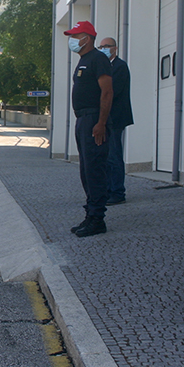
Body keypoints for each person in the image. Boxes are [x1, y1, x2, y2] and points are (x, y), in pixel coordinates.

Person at [65, 21, 112, 238]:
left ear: (88, 38)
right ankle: (90, 214)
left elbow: (107, 93)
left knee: (94, 169)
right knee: (86, 170)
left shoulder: (98, 59)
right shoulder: (84, 60)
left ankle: (97, 219)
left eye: (76, 35)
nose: (72, 39)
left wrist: (101, 123)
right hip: (83, 119)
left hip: (93, 119)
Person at [97, 37, 133, 205]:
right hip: (106, 119)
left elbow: (111, 91)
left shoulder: (119, 66)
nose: (104, 48)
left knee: (114, 156)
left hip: (116, 118)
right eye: (101, 46)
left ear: (115, 48)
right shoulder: (105, 67)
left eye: (107, 46)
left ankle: (118, 192)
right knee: (106, 157)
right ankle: (109, 189)